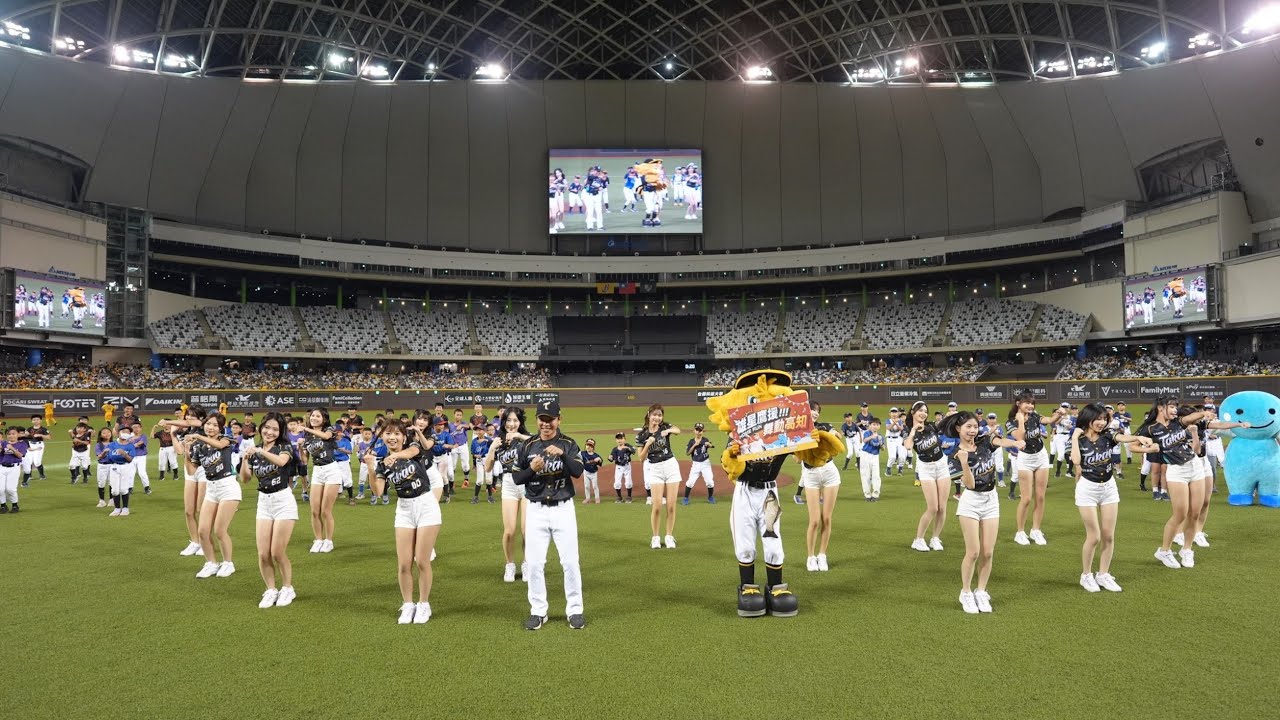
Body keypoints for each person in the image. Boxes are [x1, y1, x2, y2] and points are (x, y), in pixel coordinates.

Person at [719, 370, 799, 618]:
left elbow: (804, 453)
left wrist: (815, 442)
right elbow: (729, 466)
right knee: (744, 541)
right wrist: (732, 454)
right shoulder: (739, 433)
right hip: (745, 491)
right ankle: (748, 586)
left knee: (773, 538)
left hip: (769, 493)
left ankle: (776, 587)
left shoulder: (785, 430)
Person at [511, 400, 585, 630]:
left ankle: (575, 610)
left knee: (570, 562)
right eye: (542, 419)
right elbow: (517, 478)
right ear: (537, 420)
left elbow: (578, 471)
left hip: (563, 508)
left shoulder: (568, 444)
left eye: (550, 419)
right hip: (535, 509)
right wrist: (531, 469)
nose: (546, 424)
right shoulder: (527, 445)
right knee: (534, 564)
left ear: (559, 419)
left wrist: (562, 456)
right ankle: (538, 610)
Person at [1071, 404, 1157, 593]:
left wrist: (1138, 437)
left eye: (1104, 419)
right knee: (1094, 537)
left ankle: (1103, 574)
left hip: (1109, 488)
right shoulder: (1079, 440)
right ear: (1088, 419)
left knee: (1108, 536)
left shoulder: (1108, 435)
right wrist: (1075, 437)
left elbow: (1122, 437)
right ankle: (1086, 575)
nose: (1102, 422)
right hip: (1087, 490)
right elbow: (1076, 461)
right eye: (1098, 419)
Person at [944, 411, 1023, 614]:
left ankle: (981, 591)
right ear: (958, 429)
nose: (972, 430)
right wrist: (964, 461)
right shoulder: (953, 456)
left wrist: (1014, 443)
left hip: (991, 500)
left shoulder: (984, 441)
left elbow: (1000, 441)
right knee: (973, 552)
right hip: (971, 502)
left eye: (975, 426)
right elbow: (969, 485)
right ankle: (966, 592)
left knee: (988, 552)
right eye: (968, 427)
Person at [377, 419, 442, 625]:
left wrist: (394, 455)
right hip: (404, 510)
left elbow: (413, 451)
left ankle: (424, 604)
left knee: (422, 561)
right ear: (382, 437)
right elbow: (378, 491)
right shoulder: (382, 463)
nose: (392, 437)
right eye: (388, 433)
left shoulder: (413, 448)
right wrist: (371, 467)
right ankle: (407, 604)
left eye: (397, 433)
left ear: (404, 437)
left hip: (426, 505)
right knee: (404, 563)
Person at [240, 413, 298, 608]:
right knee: (263, 553)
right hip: (264, 503)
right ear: (261, 428)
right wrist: (245, 459)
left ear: (280, 432)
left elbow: (281, 462)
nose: (270, 432)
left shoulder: (284, 447)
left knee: (277, 552)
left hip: (283, 501)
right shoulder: (255, 450)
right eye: (267, 427)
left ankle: (287, 588)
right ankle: (271, 589)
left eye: (275, 429)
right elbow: (245, 479)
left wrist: (259, 451)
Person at [1143, 399, 1208, 570]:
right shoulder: (1149, 428)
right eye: (1171, 407)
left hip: (1195, 467)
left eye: (1175, 407)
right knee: (1180, 514)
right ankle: (1164, 551)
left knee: (1194, 513)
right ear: (1160, 408)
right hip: (1176, 471)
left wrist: (1203, 413)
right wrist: (1148, 449)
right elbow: (1133, 445)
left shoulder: (1178, 422)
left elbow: (1190, 418)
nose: (1175, 410)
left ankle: (1187, 549)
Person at [1180, 407, 1249, 551]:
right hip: (1187, 465)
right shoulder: (1178, 429)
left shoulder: (1200, 424)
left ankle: (1198, 532)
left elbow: (1220, 425)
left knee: (1205, 501)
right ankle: (1180, 532)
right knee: (1189, 504)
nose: (1199, 419)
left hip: (1203, 462)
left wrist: (1239, 424)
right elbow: (1195, 449)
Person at [1009, 392, 1066, 546]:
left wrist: (1059, 414)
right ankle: (1020, 532)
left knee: (1040, 497)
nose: (1030, 406)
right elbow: (1019, 438)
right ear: (1018, 403)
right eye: (1027, 403)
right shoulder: (1011, 422)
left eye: (1032, 403)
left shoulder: (1034, 415)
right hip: (1025, 459)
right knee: (1026, 498)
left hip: (1041, 456)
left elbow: (1049, 420)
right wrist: (1021, 421)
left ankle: (1036, 530)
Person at [189, 413, 241, 579]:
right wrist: (186, 450)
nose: (210, 427)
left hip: (228, 487)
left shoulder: (226, 438)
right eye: (208, 424)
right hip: (211, 488)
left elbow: (219, 445)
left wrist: (198, 436)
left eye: (214, 425)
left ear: (220, 428)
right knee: (203, 531)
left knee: (219, 530)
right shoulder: (199, 446)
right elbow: (191, 470)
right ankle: (211, 563)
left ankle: (228, 563)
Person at [486, 407, 531, 582]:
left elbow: (538, 442)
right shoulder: (499, 441)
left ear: (520, 422)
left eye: (515, 420)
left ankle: (527, 563)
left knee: (526, 530)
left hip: (526, 484)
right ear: (503, 422)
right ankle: (510, 564)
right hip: (509, 484)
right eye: (509, 420)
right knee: (510, 531)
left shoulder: (526, 438)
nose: (512, 424)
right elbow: (488, 468)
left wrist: (519, 436)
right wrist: (492, 448)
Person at [800, 402, 844, 572]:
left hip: (829, 472)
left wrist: (832, 434)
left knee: (826, 518)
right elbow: (796, 459)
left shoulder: (824, 426)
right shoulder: (798, 431)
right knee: (814, 521)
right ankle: (810, 557)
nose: (815, 413)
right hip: (810, 475)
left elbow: (837, 435)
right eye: (811, 409)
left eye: (817, 410)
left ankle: (822, 555)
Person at [904, 401, 949, 552]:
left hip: (942, 465)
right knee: (933, 507)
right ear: (913, 412)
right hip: (926, 469)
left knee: (942, 507)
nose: (923, 413)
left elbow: (943, 425)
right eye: (920, 410)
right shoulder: (907, 430)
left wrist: (950, 416)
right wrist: (913, 430)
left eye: (925, 411)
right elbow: (908, 446)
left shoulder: (930, 426)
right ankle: (918, 540)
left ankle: (935, 538)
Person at [636, 403, 682, 549]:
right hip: (655, 468)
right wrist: (648, 444)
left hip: (671, 466)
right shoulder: (641, 435)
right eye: (654, 415)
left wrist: (668, 430)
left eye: (660, 415)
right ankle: (655, 537)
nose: (657, 417)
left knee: (671, 506)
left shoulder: (664, 427)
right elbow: (641, 458)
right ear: (649, 415)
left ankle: (669, 536)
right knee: (656, 507)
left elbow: (678, 430)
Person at [298, 408, 340, 554]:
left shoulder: (329, 429)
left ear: (324, 419)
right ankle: (318, 540)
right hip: (317, 471)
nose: (314, 418)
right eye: (312, 416)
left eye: (318, 416)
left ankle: (329, 541)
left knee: (325, 511)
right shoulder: (308, 436)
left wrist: (305, 428)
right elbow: (304, 460)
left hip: (331, 470)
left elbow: (326, 436)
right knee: (315, 511)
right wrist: (300, 447)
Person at [105, 425, 137, 516]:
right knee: (115, 490)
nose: (125, 433)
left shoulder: (130, 446)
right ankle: (117, 508)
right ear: (118, 433)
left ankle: (125, 508)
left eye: (127, 432)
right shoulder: (112, 444)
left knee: (124, 489)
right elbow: (109, 458)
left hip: (125, 467)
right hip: (114, 467)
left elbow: (130, 459)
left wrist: (124, 454)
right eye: (123, 431)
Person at [682, 423, 715, 505]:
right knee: (690, 482)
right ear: (694, 431)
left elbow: (711, 445)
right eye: (697, 430)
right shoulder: (691, 441)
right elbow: (688, 453)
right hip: (696, 464)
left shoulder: (705, 439)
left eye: (700, 430)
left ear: (702, 431)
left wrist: (709, 445)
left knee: (710, 482)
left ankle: (710, 497)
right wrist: (694, 445)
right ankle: (686, 498)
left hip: (705, 464)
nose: (698, 432)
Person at [0, 427, 27, 513]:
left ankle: (15, 505)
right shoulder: (3, 443)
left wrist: (12, 448)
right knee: (0, 489)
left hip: (14, 468)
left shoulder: (22, 444)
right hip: (2, 467)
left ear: (18, 434)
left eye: (13, 434)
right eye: (9, 434)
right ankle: (3, 506)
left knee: (10, 489)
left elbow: (20, 455)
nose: (11, 436)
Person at [20, 415, 49, 486]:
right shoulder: (29, 429)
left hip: (39, 445)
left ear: (41, 420)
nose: (36, 421)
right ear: (32, 421)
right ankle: (29, 475)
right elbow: (25, 436)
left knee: (37, 462)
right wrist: (25, 434)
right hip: (30, 445)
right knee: (29, 461)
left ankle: (42, 475)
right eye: (34, 420)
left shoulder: (43, 429)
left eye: (37, 419)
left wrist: (41, 435)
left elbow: (49, 437)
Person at [469, 424, 495, 504]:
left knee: (489, 479)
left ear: (484, 431)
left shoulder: (488, 440)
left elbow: (494, 445)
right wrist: (474, 461)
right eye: (477, 430)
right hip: (479, 461)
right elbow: (473, 452)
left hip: (487, 460)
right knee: (479, 480)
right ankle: (476, 497)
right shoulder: (474, 441)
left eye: (480, 430)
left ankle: (490, 497)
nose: (478, 432)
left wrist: (485, 440)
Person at [127, 420, 152, 495]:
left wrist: (132, 444)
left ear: (141, 428)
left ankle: (147, 487)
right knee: (131, 473)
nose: (136, 429)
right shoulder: (128, 438)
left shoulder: (143, 436)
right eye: (134, 427)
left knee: (142, 473)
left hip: (141, 457)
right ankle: (130, 488)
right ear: (131, 429)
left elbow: (141, 443)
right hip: (131, 457)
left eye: (138, 427)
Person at [610, 433, 636, 503]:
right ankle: (619, 497)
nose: (619, 440)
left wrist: (627, 448)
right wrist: (610, 458)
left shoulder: (627, 446)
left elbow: (634, 451)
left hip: (627, 466)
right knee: (617, 483)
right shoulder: (615, 449)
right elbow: (611, 458)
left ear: (624, 439)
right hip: (618, 467)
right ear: (616, 440)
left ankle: (629, 497)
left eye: (621, 438)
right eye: (618, 439)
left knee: (628, 482)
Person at [93, 427, 114, 507]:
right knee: (101, 482)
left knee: (112, 482)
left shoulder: (114, 444)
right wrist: (104, 452)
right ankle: (102, 500)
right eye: (104, 433)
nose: (107, 434)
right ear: (100, 435)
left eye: (108, 432)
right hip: (102, 465)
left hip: (112, 465)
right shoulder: (98, 445)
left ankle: (112, 500)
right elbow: (99, 457)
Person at [885, 408, 909, 476]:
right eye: (892, 412)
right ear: (890, 414)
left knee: (902, 456)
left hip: (899, 439)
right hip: (890, 439)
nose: (894, 414)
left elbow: (901, 428)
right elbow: (888, 428)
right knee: (892, 457)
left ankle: (900, 469)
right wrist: (894, 423)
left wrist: (897, 423)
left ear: (898, 413)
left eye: (895, 412)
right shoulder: (888, 420)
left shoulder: (900, 421)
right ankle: (888, 469)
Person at [581, 439, 603, 504]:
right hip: (586, 472)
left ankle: (597, 498)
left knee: (595, 486)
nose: (588, 447)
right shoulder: (583, 453)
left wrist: (599, 459)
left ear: (593, 447)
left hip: (593, 473)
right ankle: (587, 498)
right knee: (586, 486)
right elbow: (576, 456)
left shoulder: (596, 455)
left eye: (590, 446)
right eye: (587, 445)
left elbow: (600, 462)